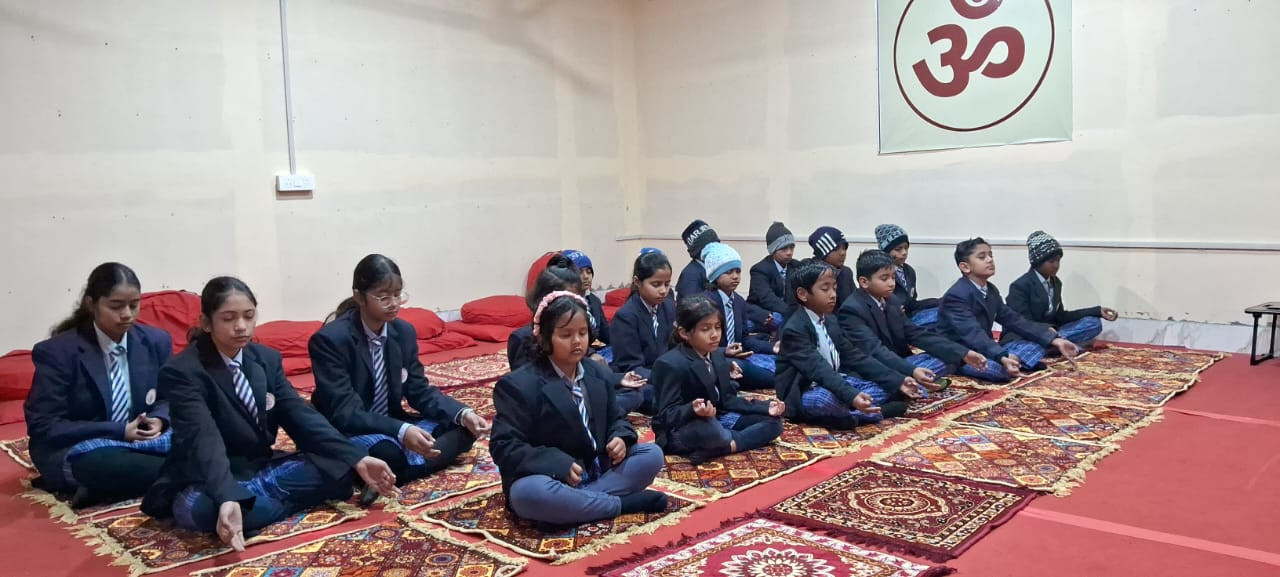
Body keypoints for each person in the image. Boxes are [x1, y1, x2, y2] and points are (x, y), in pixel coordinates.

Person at [141, 277, 398, 551]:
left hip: (259, 465)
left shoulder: (265, 359)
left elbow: (299, 414)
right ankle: (256, 502)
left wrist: (356, 458)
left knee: (340, 467)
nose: (241, 326)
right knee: (203, 510)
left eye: (248, 316)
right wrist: (227, 495)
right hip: (205, 477)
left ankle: (258, 504)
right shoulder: (183, 371)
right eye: (228, 318)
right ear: (206, 322)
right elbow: (203, 438)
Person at [310, 254, 489, 505]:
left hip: (390, 419)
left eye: (397, 295)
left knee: (461, 428)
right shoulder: (331, 340)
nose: (393, 303)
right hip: (350, 427)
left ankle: (390, 474)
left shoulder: (402, 332)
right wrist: (402, 431)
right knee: (389, 453)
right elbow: (346, 412)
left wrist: (464, 413)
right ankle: (395, 467)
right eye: (383, 296)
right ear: (359, 296)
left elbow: (419, 391)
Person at [490, 291, 668, 526]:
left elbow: (617, 419)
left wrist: (620, 438)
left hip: (598, 469)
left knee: (652, 455)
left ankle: (576, 505)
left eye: (582, 333)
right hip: (553, 477)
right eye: (566, 335)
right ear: (544, 339)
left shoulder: (598, 372)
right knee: (527, 493)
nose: (577, 341)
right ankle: (621, 504)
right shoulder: (519, 385)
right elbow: (504, 446)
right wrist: (556, 464)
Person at [25, 262, 172, 507]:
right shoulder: (58, 352)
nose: (127, 314)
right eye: (116, 306)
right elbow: (45, 426)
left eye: (134, 305)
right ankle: (182, 473)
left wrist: (159, 419)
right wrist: (119, 431)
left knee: (209, 432)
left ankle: (151, 477)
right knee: (100, 464)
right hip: (84, 447)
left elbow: (172, 397)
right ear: (91, 304)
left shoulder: (155, 341)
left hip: (142, 443)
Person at [651, 295, 784, 465]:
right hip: (684, 428)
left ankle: (723, 448)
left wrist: (764, 407)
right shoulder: (669, 363)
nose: (714, 335)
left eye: (718, 327)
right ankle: (726, 441)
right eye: (705, 329)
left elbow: (727, 400)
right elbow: (665, 416)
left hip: (717, 418)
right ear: (684, 333)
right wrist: (692, 409)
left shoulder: (717, 356)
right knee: (713, 431)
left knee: (774, 423)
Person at [938, 238, 1080, 382]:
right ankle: (1013, 362)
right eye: (982, 257)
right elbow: (974, 334)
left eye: (991, 255)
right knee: (997, 371)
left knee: (1037, 344)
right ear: (965, 267)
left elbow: (1014, 320)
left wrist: (1054, 339)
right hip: (963, 353)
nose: (990, 260)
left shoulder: (990, 290)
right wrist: (1001, 356)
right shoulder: (956, 295)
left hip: (985, 347)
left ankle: (1013, 361)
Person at [839, 249, 988, 381]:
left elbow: (916, 334)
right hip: (878, 369)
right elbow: (876, 351)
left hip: (902, 361)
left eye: (893, 277)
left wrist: (963, 353)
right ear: (864, 282)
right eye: (884, 278)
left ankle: (921, 378)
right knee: (944, 362)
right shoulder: (851, 310)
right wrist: (912, 370)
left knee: (949, 354)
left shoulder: (891, 300)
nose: (891, 283)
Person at [1003, 231, 1117, 347]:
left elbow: (1061, 316)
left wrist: (1097, 311)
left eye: (1058, 260)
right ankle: (1056, 344)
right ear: (1038, 262)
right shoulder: (1020, 286)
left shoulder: (1055, 283)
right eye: (1051, 261)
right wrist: (1046, 331)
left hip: (1052, 332)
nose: (1056, 265)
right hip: (1027, 335)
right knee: (1026, 347)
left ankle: (1054, 345)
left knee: (1093, 323)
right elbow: (1022, 323)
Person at [874, 224, 940, 326]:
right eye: (898, 249)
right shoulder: (879, 273)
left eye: (906, 248)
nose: (904, 252)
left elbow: (912, 304)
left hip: (909, 318)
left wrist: (939, 301)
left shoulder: (909, 271)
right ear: (886, 251)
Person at [748, 221, 797, 318]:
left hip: (788, 315)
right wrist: (793, 315)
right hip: (765, 315)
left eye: (791, 248)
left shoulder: (796, 266)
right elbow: (767, 298)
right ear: (773, 250)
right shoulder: (759, 270)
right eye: (784, 248)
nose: (789, 252)